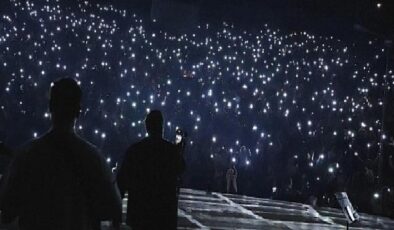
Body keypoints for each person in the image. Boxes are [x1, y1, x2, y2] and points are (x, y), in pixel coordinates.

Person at [0, 78, 122, 230]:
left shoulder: (27, 155)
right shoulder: (94, 158)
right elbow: (113, 210)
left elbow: (7, 211)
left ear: (50, 107)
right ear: (79, 110)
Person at [117, 110, 185, 230]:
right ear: (161, 127)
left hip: (139, 214)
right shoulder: (171, 151)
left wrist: (115, 217)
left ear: (147, 127)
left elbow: (122, 182)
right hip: (164, 215)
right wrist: (180, 148)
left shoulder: (135, 150)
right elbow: (181, 168)